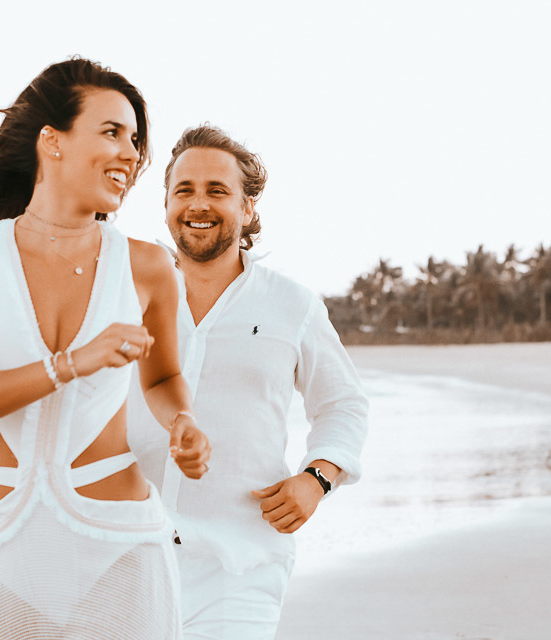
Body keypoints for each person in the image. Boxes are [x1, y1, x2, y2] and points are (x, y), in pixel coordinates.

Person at [0, 58, 210, 639]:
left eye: (135, 139)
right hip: (3, 551)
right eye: (111, 132)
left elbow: (159, 378)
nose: (131, 153)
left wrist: (182, 420)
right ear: (51, 141)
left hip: (120, 545)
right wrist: (70, 364)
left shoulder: (149, 267)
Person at [127, 125, 369, 639]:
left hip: (238, 566)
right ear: (167, 203)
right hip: (123, 559)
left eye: (217, 190)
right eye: (184, 190)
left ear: (249, 207)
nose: (199, 204)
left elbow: (343, 402)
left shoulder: (292, 304)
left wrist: (317, 478)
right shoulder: (124, 293)